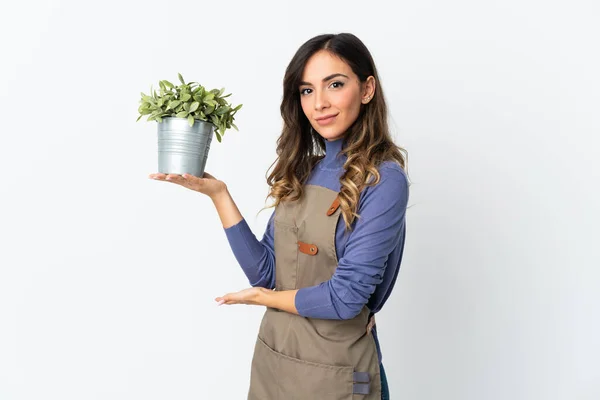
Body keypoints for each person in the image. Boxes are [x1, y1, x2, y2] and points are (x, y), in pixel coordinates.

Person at [150, 32, 409, 400]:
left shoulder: (384, 180)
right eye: (306, 90)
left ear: (367, 90)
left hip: (336, 371)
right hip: (276, 362)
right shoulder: (304, 170)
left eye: (335, 84)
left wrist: (261, 299)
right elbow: (269, 274)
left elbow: (346, 297)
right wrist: (219, 196)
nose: (319, 103)